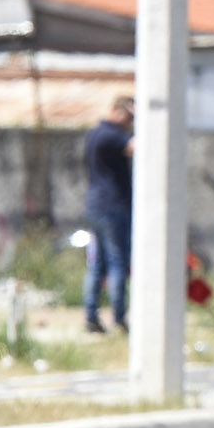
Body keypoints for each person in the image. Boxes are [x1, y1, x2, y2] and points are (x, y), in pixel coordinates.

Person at [81, 96, 135, 334]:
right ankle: (119, 317)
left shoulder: (96, 133)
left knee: (98, 265)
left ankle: (91, 316)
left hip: (96, 207)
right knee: (117, 264)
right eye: (130, 116)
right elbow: (137, 146)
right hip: (113, 207)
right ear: (117, 111)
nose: (131, 122)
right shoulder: (111, 135)